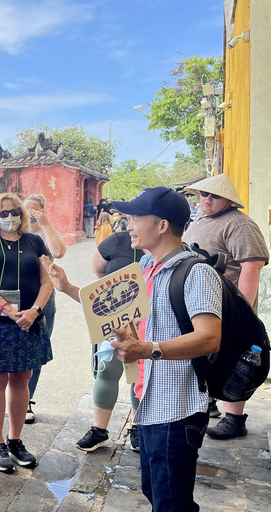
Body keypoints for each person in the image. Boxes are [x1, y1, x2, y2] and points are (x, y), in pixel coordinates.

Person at [107, 187, 222, 511]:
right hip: (149, 399)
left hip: (178, 407)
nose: (128, 225)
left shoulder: (196, 273)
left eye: (136, 218)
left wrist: (147, 349)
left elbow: (210, 337)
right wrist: (67, 288)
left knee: (171, 502)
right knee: (153, 489)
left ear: (161, 225)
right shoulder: (146, 265)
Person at [183, 174, 269, 440]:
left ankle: (235, 419)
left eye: (214, 195)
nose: (206, 199)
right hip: (202, 301)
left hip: (228, 304)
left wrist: (241, 310)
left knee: (234, 360)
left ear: (228, 200)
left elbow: (250, 267)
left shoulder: (240, 224)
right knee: (206, 358)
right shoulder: (202, 219)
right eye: (203, 194)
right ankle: (210, 404)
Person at [0, 193, 52, 472]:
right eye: (2, 212)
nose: (9, 216)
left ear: (22, 213)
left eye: (13, 211)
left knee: (21, 379)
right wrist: (6, 308)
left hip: (28, 320)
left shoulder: (35, 241)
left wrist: (35, 311)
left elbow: (48, 280)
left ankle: (15, 440)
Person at [77, 229, 146, 452]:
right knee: (107, 370)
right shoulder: (118, 240)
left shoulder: (163, 247)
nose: (132, 224)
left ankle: (138, 426)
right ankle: (99, 430)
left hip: (148, 320)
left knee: (140, 372)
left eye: (138, 219)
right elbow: (98, 270)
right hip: (115, 316)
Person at [22, 194, 65, 424]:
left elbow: (58, 253)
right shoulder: (14, 232)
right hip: (17, 300)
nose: (29, 212)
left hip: (44, 300)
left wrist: (46, 223)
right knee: (5, 347)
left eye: (34, 209)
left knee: (35, 353)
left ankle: (27, 400)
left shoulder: (45, 234)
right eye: (25, 207)